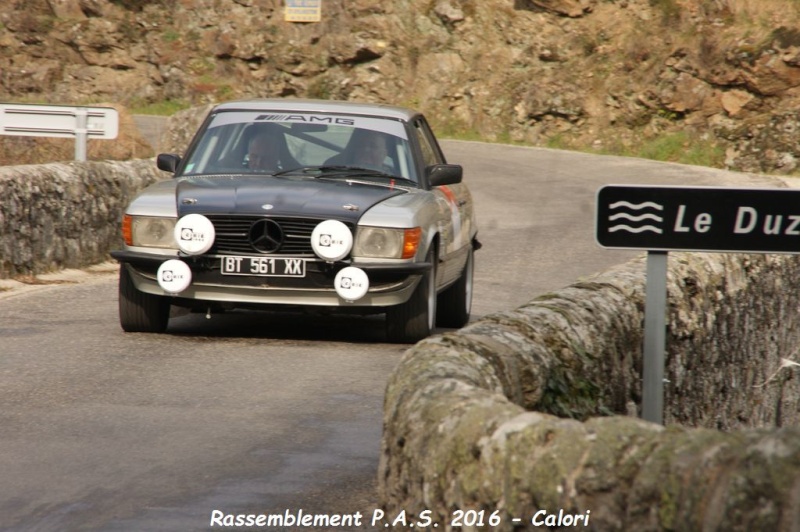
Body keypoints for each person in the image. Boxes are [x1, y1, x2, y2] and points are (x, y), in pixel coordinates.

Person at [326, 129, 393, 173]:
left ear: (384, 154)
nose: (366, 150)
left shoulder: (394, 178)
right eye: (361, 145)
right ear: (355, 150)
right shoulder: (334, 170)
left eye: (373, 146)